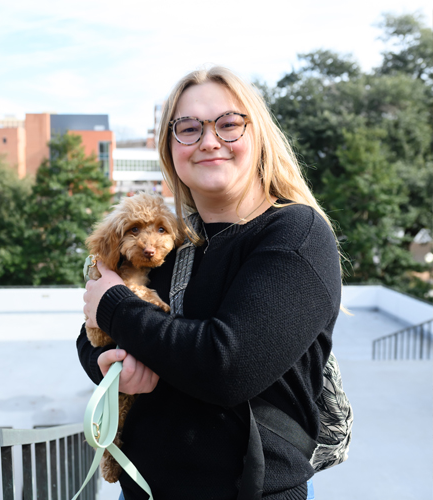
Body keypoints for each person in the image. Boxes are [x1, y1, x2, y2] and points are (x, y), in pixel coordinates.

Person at [79, 66, 342, 500]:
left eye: (228, 123)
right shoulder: (170, 238)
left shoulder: (295, 234)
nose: (209, 140)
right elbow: (90, 337)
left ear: (258, 135)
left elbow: (228, 368)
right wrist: (108, 365)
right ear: (170, 148)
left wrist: (117, 307)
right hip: (142, 488)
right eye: (188, 128)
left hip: (251, 491)